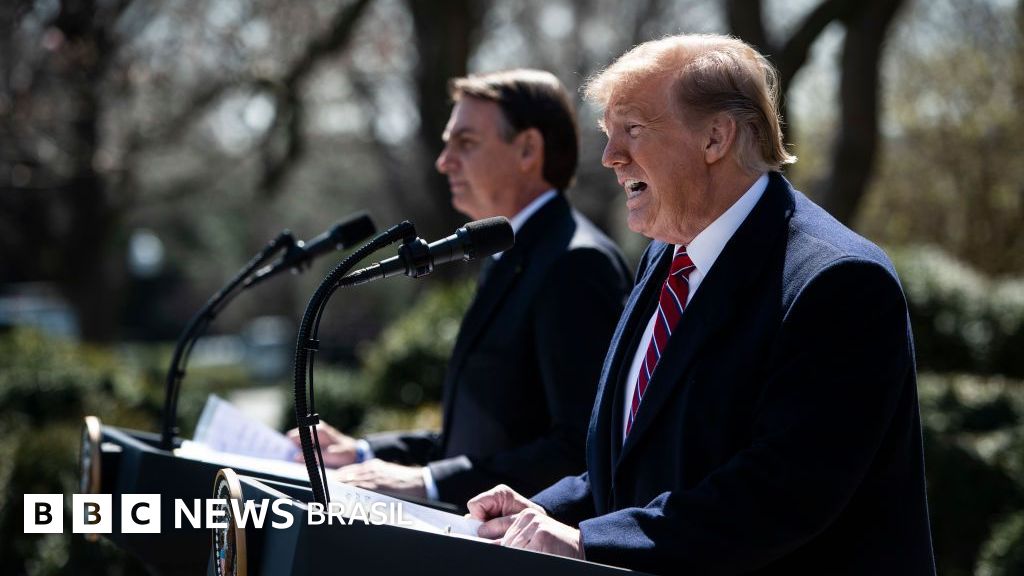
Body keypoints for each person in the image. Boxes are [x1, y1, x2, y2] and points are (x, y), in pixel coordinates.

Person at [467, 35, 936, 575]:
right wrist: (541, 512)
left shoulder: (840, 282)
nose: (610, 156)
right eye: (608, 134)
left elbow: (781, 494)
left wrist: (586, 542)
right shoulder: (665, 256)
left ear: (716, 136)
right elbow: (632, 463)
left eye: (633, 130)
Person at [292, 69, 630, 508]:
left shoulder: (575, 263)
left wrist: (430, 483)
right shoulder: (511, 252)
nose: (444, 160)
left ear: (528, 149)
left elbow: (580, 449)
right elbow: (484, 435)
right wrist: (364, 453)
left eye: (465, 143)